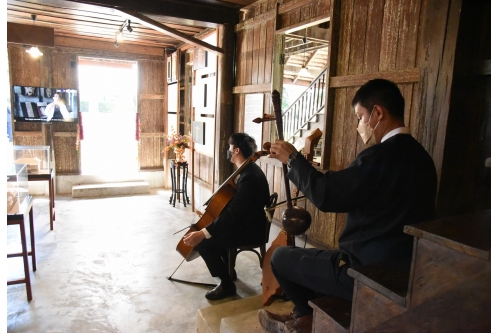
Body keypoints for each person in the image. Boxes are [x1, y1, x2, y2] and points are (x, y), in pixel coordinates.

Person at [259, 79, 437, 333]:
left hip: (364, 271)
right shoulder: (422, 158)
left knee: (280, 257)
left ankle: (304, 319)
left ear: (377, 112)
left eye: (360, 116)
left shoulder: (380, 156)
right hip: (406, 266)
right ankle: (306, 315)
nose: (360, 125)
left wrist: (293, 159)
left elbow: (327, 195)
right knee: (315, 259)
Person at [182, 133, 271, 300]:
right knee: (216, 229)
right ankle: (229, 271)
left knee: (205, 243)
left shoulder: (249, 176)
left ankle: (227, 284)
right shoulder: (248, 170)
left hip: (251, 230)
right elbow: (239, 206)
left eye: (230, 148)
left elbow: (234, 213)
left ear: (236, 150)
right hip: (249, 223)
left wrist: (203, 233)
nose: (228, 151)